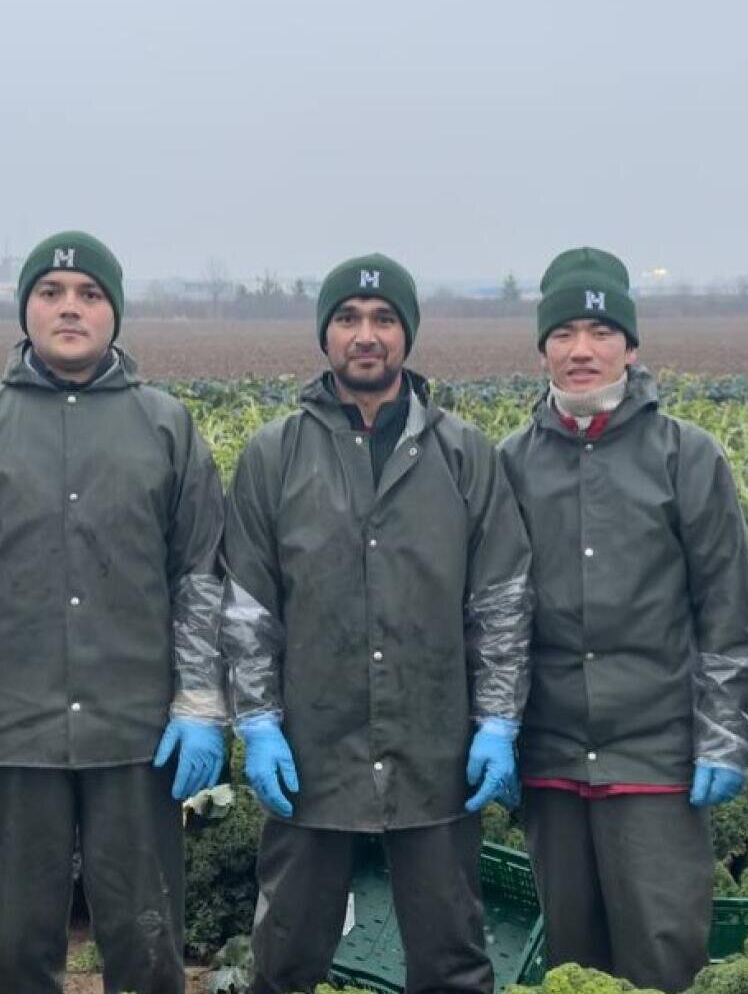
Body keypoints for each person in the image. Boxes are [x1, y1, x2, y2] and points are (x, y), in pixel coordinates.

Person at [0, 231, 226, 993]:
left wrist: (200, 703)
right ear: (26, 308)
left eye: (90, 295)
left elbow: (199, 579)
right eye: (51, 293)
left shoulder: (167, 427)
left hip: (136, 737)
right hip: (12, 734)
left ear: (115, 313)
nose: (70, 308)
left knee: (146, 938)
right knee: (19, 945)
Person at [220, 254, 532, 994]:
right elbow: (247, 607)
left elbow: (501, 600)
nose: (367, 335)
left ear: (407, 334)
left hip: (434, 751)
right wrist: (259, 721)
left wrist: (496, 720)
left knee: (453, 957)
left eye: (384, 319)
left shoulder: (463, 455)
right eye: (349, 319)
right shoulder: (275, 455)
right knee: (286, 952)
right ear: (325, 334)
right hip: (310, 752)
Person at [498, 247, 748, 991]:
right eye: (563, 333)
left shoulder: (686, 457)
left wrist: (726, 734)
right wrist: (496, 728)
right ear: (543, 346)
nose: (582, 350)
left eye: (601, 331)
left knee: (663, 952)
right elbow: (491, 614)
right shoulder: (511, 463)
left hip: (657, 758)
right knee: (574, 963)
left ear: (631, 345)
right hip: (550, 758)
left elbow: (728, 613)